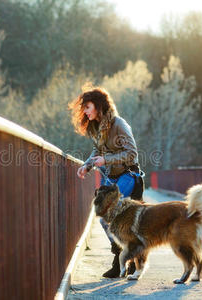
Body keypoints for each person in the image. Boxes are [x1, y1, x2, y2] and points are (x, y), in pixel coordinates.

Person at [69, 85, 144, 278]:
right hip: (113, 177)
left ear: (99, 105)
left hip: (130, 174)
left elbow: (132, 153)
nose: (84, 111)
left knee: (112, 211)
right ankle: (121, 256)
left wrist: (107, 160)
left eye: (87, 107)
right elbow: (97, 152)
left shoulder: (119, 124)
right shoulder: (95, 127)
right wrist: (86, 166)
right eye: (83, 107)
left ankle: (129, 259)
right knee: (104, 216)